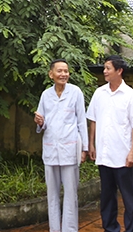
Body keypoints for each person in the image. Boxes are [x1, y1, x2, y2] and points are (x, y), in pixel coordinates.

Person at [86, 55, 133, 232]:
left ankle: (130, 229)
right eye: (104, 68)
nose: (104, 71)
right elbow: (93, 120)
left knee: (128, 198)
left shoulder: (131, 96)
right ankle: (110, 228)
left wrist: (132, 152)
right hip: (104, 155)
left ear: (119, 71)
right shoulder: (99, 93)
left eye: (108, 68)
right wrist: (91, 144)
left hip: (123, 155)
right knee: (107, 196)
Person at [35, 58, 88, 232]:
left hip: (70, 149)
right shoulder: (45, 95)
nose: (63, 74)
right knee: (52, 195)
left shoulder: (76, 92)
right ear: (51, 74)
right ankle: (54, 229)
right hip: (51, 150)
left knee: (71, 194)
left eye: (66, 71)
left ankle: (70, 229)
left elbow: (81, 121)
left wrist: (84, 148)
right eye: (59, 71)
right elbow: (42, 124)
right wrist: (40, 122)